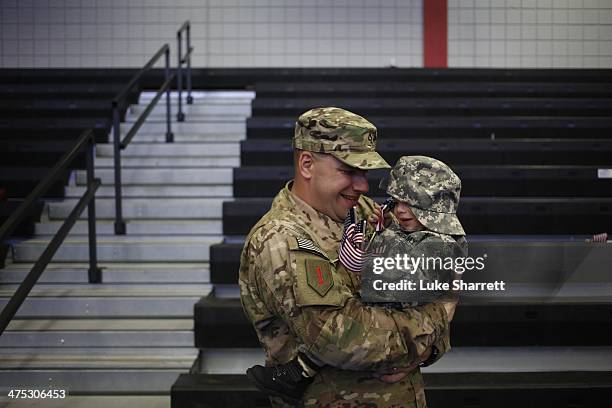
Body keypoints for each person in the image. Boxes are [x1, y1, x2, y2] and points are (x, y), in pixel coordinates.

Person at [239, 107, 452, 407]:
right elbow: (342, 339)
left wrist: (428, 348)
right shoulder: (280, 240)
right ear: (307, 164)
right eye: (349, 171)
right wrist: (436, 320)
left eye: (363, 172)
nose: (363, 185)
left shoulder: (361, 212)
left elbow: (432, 270)